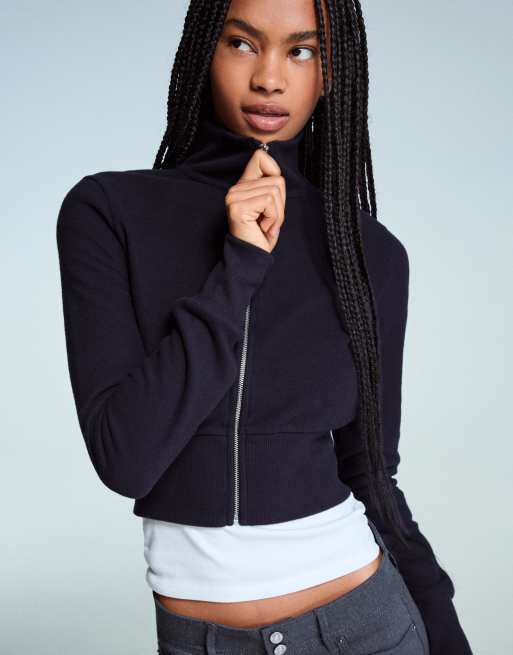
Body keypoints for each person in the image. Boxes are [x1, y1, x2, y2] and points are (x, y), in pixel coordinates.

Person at [56, 1, 473, 653]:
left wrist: (446, 637)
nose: (270, 79)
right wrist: (239, 265)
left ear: (330, 73)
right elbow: (126, 458)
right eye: (243, 44)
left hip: (365, 625)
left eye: (302, 51)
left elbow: (372, 473)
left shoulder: (369, 253)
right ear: (204, 51)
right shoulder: (110, 213)